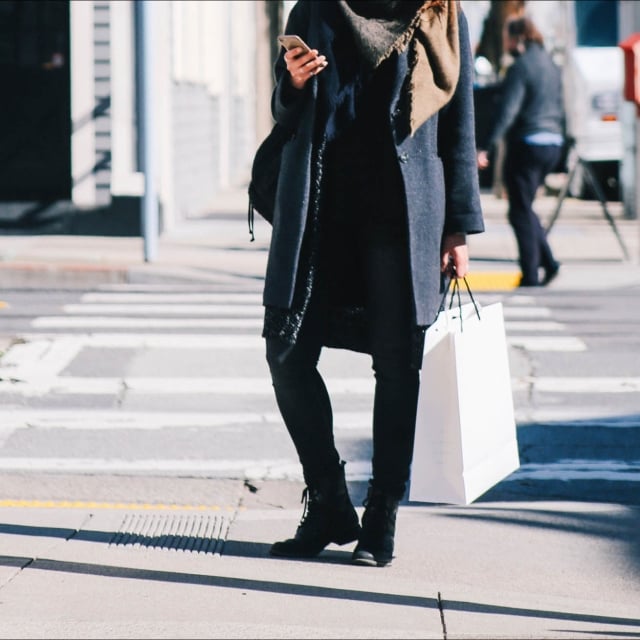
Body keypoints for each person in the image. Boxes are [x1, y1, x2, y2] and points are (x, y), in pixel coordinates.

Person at [258, 0, 484, 567]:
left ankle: (382, 514)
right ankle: (330, 503)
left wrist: (458, 225)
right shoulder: (314, 9)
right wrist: (292, 83)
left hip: (402, 216)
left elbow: (458, 122)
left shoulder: (440, 14)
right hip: (321, 209)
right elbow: (283, 110)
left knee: (397, 362)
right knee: (285, 352)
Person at [477, 15, 565, 287]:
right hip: (553, 143)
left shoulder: (521, 67)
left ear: (518, 38)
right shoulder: (550, 64)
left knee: (519, 210)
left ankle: (531, 273)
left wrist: (486, 145)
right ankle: (548, 262)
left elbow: (508, 111)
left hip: (528, 143)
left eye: (507, 39)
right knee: (525, 207)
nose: (505, 45)